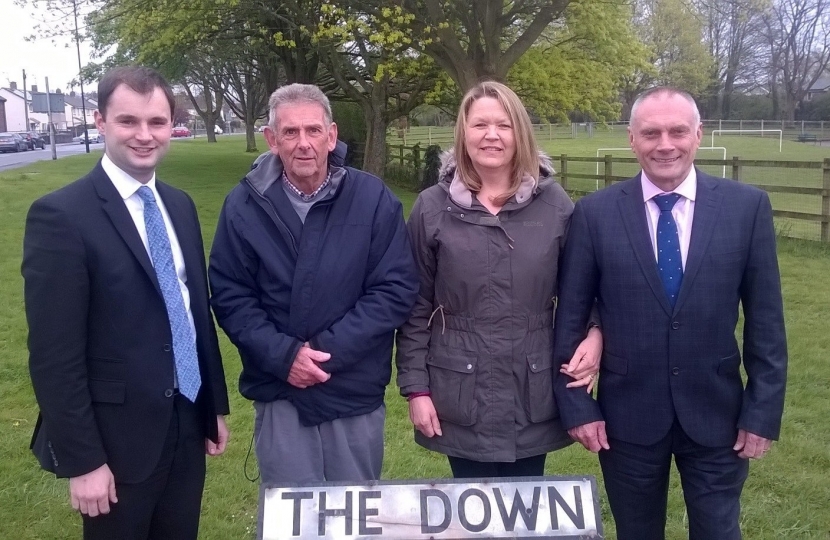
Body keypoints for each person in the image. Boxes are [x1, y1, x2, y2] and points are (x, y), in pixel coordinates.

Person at [552, 87, 788, 539]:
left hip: (719, 415)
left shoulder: (746, 208)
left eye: (678, 131)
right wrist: (578, 405)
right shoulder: (595, 214)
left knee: (718, 531)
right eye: (651, 133)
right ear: (632, 139)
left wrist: (761, 413)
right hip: (626, 417)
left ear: (699, 135)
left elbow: (767, 323)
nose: (665, 144)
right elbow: (571, 316)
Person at [23, 66, 230, 540]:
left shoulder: (178, 206)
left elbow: (194, 313)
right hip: (115, 442)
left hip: (184, 419)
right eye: (128, 121)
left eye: (157, 122)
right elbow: (55, 356)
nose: (144, 135)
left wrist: (212, 405)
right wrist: (84, 461)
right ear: (100, 121)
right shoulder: (61, 217)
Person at [209, 84, 418, 486]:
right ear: (272, 139)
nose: (303, 144)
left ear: (332, 135)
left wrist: (321, 356)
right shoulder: (244, 205)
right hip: (280, 390)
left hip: (352, 391)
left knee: (356, 518)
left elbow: (394, 288)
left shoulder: (372, 198)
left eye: (313, 131)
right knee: (293, 520)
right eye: (290, 132)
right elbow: (231, 293)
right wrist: (285, 357)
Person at [395, 81, 602, 479]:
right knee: (471, 516)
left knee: (523, 514)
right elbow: (415, 306)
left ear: (519, 133)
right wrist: (416, 389)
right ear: (463, 133)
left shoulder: (554, 204)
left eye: (503, 125)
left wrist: (595, 334)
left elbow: (583, 290)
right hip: (459, 391)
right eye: (480, 125)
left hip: (532, 389)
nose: (491, 135)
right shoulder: (432, 208)